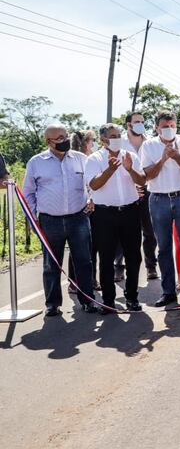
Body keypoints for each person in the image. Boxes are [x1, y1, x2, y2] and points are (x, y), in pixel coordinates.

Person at [22, 124, 98, 316]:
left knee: (83, 261)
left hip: (78, 218)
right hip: (49, 221)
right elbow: (28, 193)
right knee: (51, 264)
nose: (65, 141)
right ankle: (52, 305)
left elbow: (92, 185)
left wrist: (91, 199)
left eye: (65, 136)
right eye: (59, 138)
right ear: (48, 142)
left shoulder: (81, 159)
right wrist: (33, 220)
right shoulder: (36, 162)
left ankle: (88, 301)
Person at [140, 110, 180, 307]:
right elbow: (147, 175)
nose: (169, 129)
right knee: (164, 247)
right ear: (157, 128)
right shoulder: (148, 145)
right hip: (159, 200)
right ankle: (168, 292)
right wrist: (163, 159)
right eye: (165, 127)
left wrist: (177, 157)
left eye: (172, 125)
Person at [86, 123, 146, 313]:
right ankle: (108, 301)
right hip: (104, 214)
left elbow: (142, 181)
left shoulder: (131, 156)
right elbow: (94, 185)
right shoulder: (95, 159)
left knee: (134, 256)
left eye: (119, 135)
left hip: (130, 211)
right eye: (113, 136)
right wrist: (110, 170)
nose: (117, 138)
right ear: (103, 140)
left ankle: (132, 297)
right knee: (106, 257)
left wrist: (129, 169)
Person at [117, 112, 158, 281]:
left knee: (150, 231)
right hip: (126, 191)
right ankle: (118, 266)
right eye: (136, 122)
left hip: (147, 190)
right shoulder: (119, 143)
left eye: (142, 121)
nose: (140, 124)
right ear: (128, 125)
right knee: (123, 232)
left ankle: (151, 266)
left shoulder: (150, 143)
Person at [67, 129, 98, 293]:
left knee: (85, 247)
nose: (94, 143)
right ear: (86, 142)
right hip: (84, 208)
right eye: (92, 140)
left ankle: (86, 280)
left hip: (86, 207)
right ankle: (79, 282)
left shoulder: (81, 159)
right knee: (84, 248)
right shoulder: (83, 160)